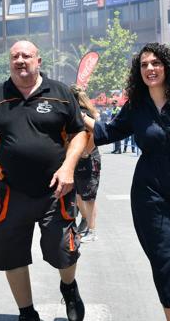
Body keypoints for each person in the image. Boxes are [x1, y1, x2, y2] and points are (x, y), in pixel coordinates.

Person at [82, 43, 170, 321]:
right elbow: (109, 131)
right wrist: (77, 115)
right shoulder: (136, 106)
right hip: (150, 190)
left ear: (167, 66)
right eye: (144, 64)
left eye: (156, 63)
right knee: (164, 260)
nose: (150, 68)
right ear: (139, 71)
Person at [0, 41, 88, 321]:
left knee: (62, 250)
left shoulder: (61, 93)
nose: (20, 60)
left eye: (26, 56)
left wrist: (68, 168)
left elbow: (79, 134)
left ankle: (69, 287)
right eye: (15, 56)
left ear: (38, 60)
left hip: (56, 190)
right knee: (10, 253)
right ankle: (27, 313)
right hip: (11, 191)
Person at [70, 84, 102, 243]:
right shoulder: (77, 112)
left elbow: (96, 134)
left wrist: (85, 152)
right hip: (79, 159)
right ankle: (86, 223)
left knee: (89, 197)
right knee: (79, 195)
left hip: (88, 160)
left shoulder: (84, 114)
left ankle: (92, 230)